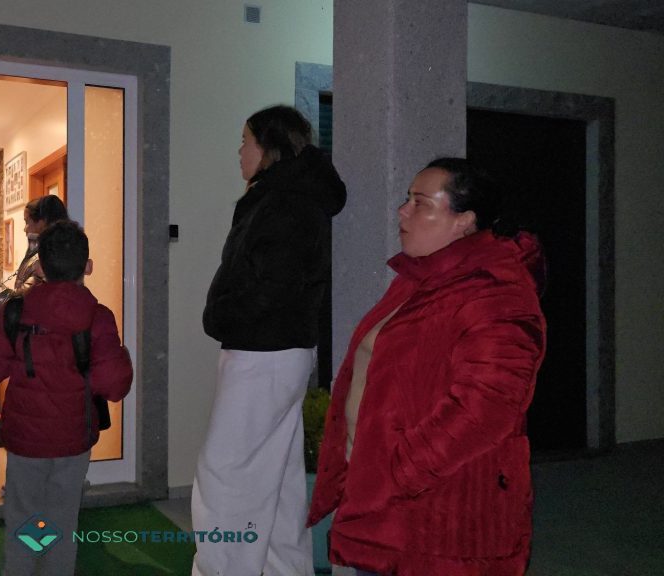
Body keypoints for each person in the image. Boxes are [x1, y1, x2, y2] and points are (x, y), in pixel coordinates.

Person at [307, 158, 547, 576]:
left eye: (420, 203)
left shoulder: (496, 293)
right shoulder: (420, 278)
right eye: (407, 199)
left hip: (438, 511)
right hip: (388, 501)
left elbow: (485, 408)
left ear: (464, 221)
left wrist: (398, 471)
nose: (403, 211)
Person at [195, 105, 347, 575]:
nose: (239, 150)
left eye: (246, 140)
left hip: (262, 351)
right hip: (277, 351)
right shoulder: (291, 196)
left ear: (270, 147)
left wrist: (221, 314)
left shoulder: (283, 202)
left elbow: (272, 286)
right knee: (277, 480)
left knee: (226, 478)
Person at [0, 220, 133, 576]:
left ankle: (21, 567)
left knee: (24, 514)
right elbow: (115, 385)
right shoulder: (98, 317)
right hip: (74, 438)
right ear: (87, 266)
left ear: (40, 266)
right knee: (62, 515)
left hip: (24, 440)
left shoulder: (15, 312)